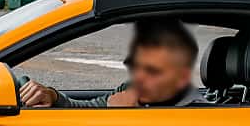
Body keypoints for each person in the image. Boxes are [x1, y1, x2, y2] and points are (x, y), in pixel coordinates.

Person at [19, 20, 209, 108]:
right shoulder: (135, 90)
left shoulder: (197, 114)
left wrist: (129, 120)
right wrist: (52, 96)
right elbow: (86, 107)